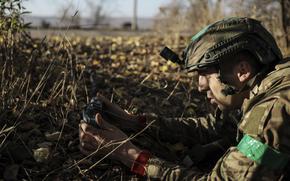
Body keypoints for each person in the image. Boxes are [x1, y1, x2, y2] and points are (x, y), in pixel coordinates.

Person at [79, 17, 290, 180]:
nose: (199, 85)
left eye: (204, 73)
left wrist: (127, 154)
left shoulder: (272, 112)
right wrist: (134, 122)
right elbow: (214, 127)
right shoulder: (266, 86)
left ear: (242, 71)